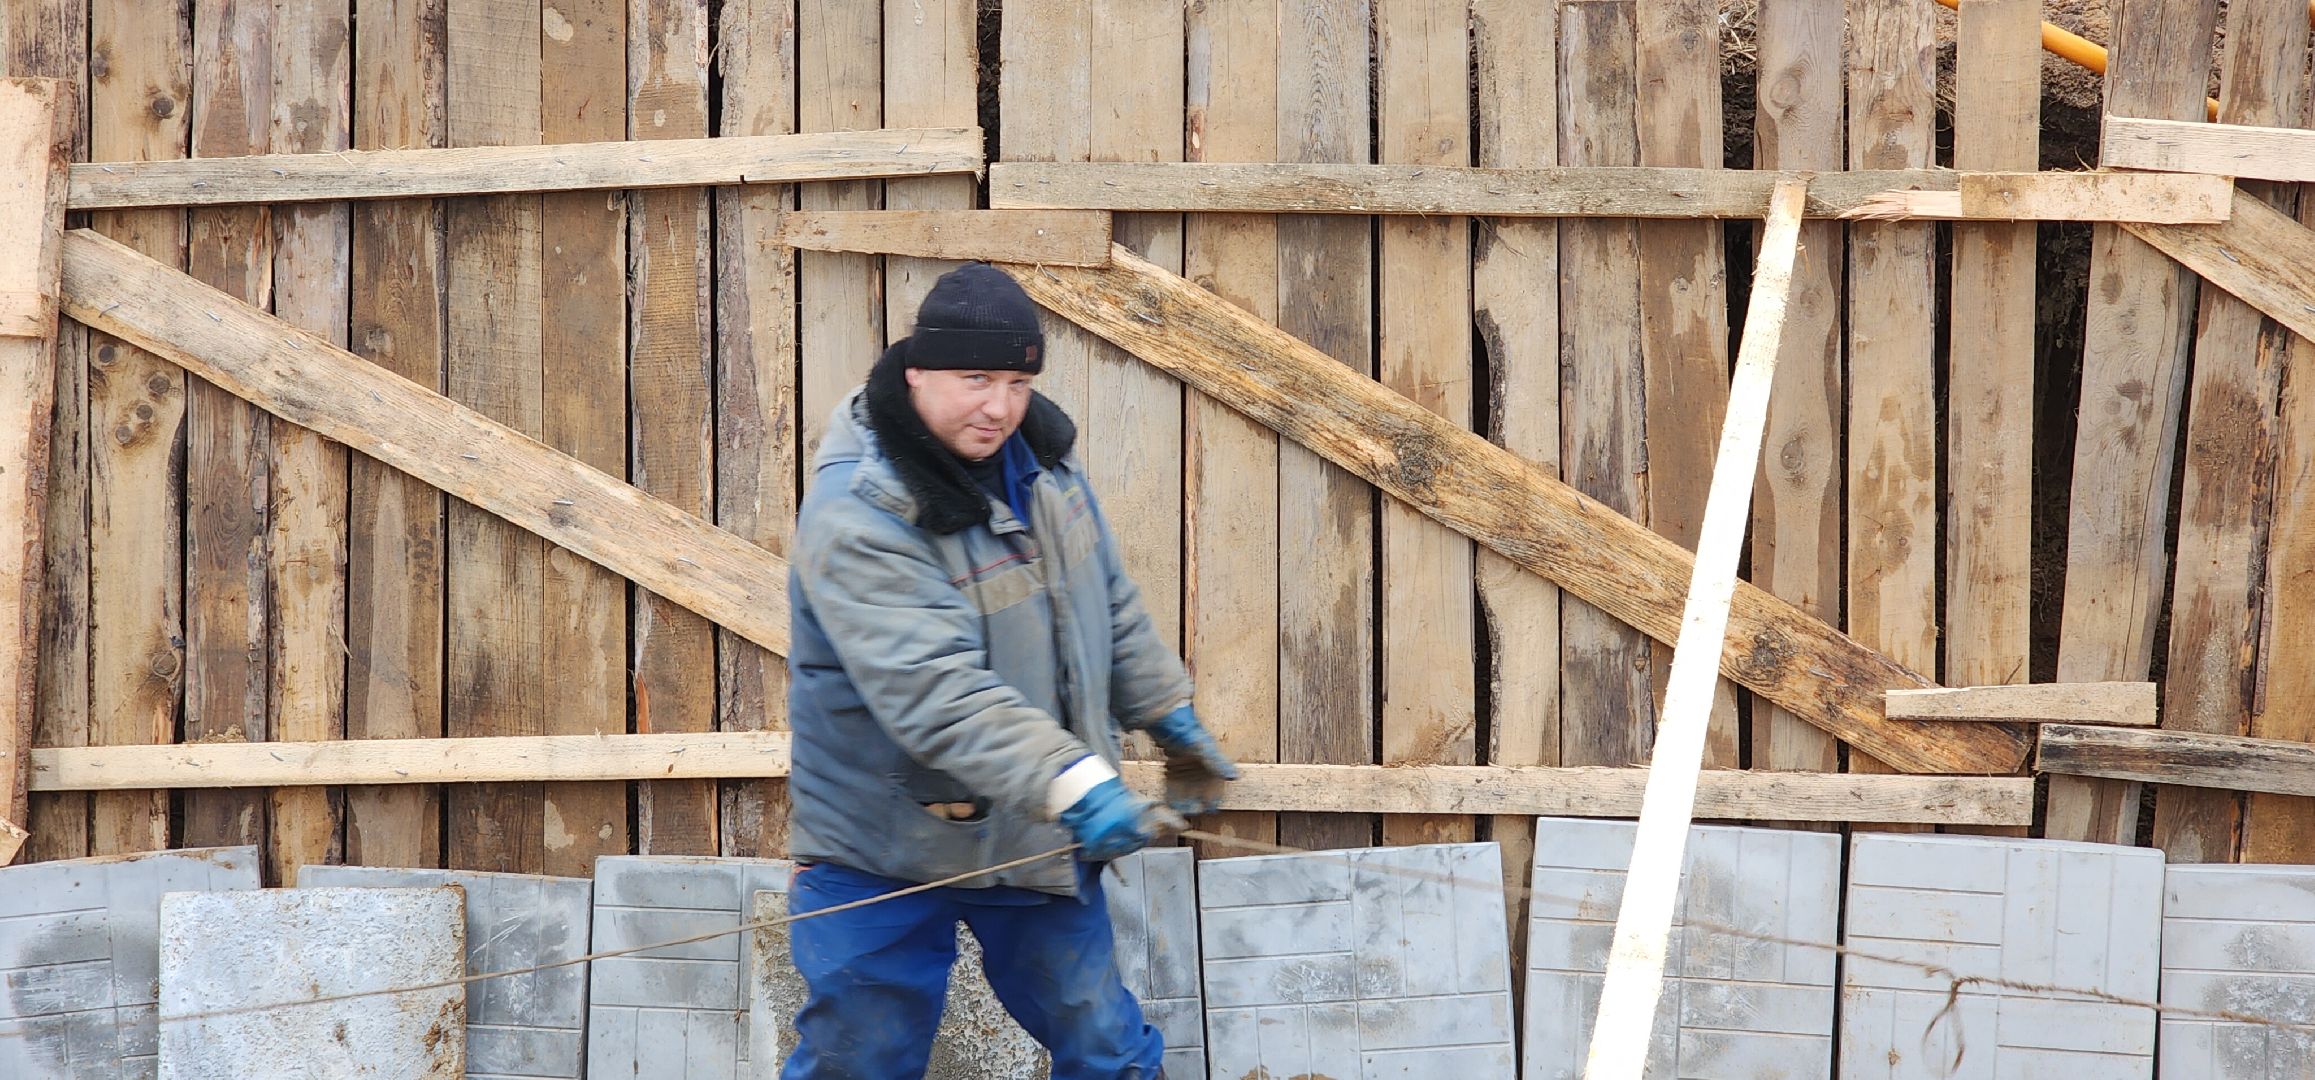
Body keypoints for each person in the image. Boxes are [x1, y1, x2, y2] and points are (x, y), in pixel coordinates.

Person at [781, 262, 1241, 1078]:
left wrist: (1169, 717)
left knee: (1106, 1051)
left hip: (1026, 830)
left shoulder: (1043, 466)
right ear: (916, 371)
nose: (999, 406)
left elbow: (1105, 600)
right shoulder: (859, 510)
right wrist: (1079, 782)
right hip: (879, 842)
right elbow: (936, 693)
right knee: (860, 1059)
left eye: (1018, 381)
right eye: (976, 378)